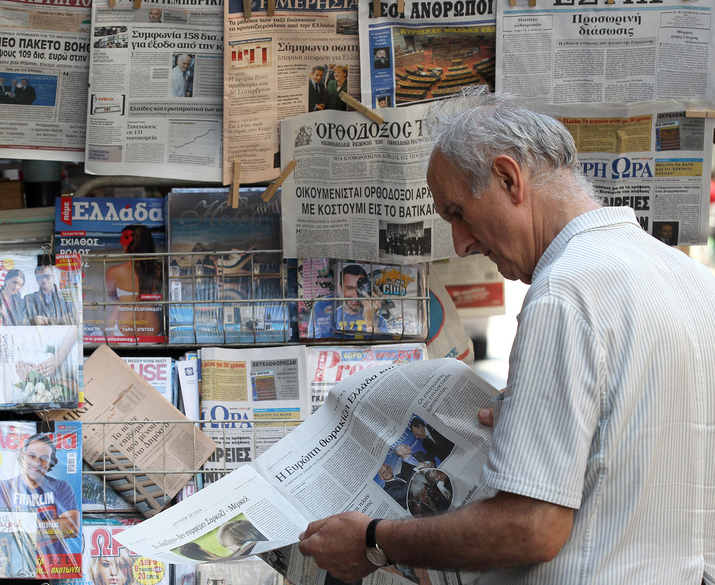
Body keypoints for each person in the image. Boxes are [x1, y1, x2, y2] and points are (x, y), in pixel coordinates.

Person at [297, 88, 715, 583]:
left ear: (507, 177)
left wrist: (373, 540)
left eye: (456, 212)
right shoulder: (692, 282)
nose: (461, 242)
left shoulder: (565, 293)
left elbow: (531, 528)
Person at [0, 433, 80, 556]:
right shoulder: (3, 487)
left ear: (51, 462)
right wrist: (52, 526)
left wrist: (22, 527)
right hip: (17, 564)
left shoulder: (61, 487)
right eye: (32, 456)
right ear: (22, 457)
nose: (37, 462)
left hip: (55, 568)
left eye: (44, 458)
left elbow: (72, 527)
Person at [105, 225, 164, 340]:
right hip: (154, 332)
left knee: (118, 303)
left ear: (128, 243)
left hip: (123, 332)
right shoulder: (160, 269)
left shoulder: (114, 272)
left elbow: (112, 296)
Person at [308, 264, 388, 339]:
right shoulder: (324, 309)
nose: (355, 296)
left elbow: (380, 350)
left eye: (360, 289)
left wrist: (370, 322)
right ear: (340, 287)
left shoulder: (380, 321)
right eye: (350, 288)